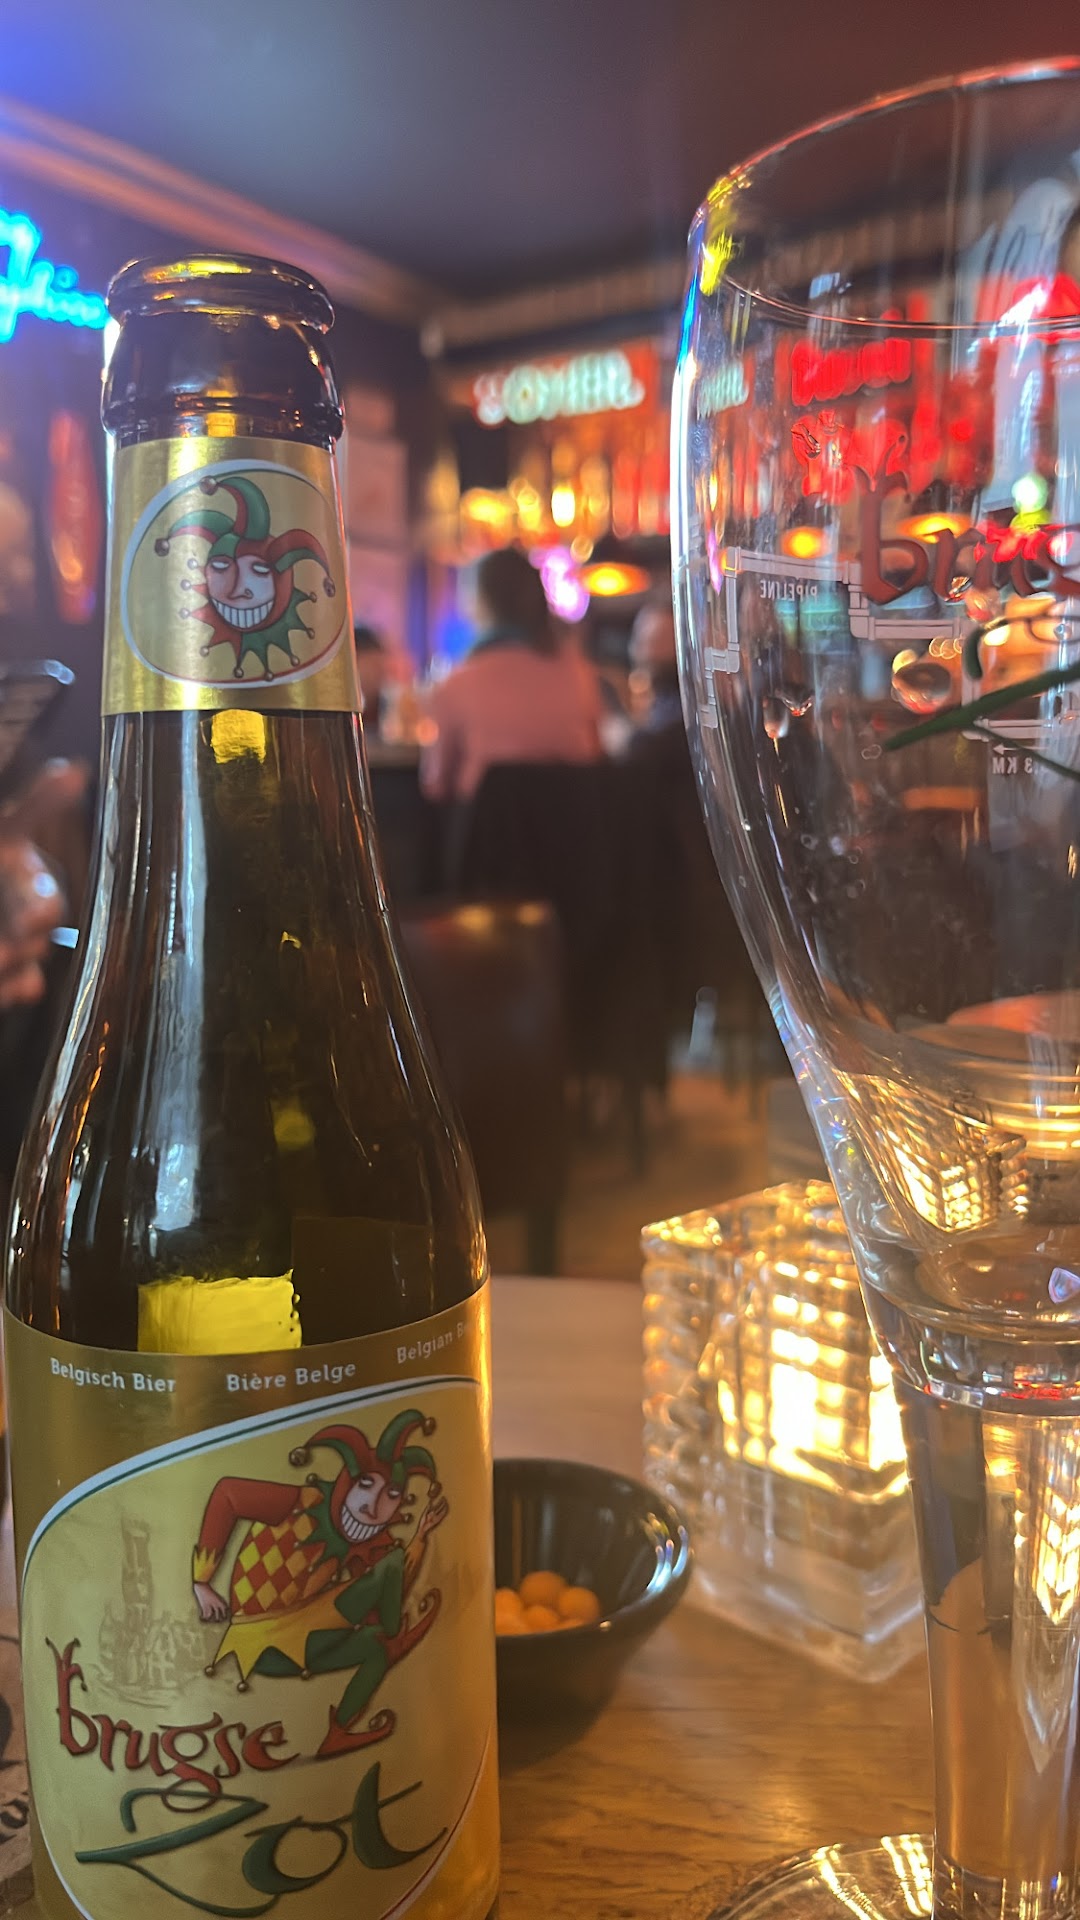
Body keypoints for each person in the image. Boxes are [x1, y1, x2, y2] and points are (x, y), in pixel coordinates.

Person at [420, 547, 602, 803]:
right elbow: (595, 760)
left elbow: (436, 785)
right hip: (576, 826)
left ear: (479, 601)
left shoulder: (456, 686)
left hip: (488, 828)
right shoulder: (580, 676)